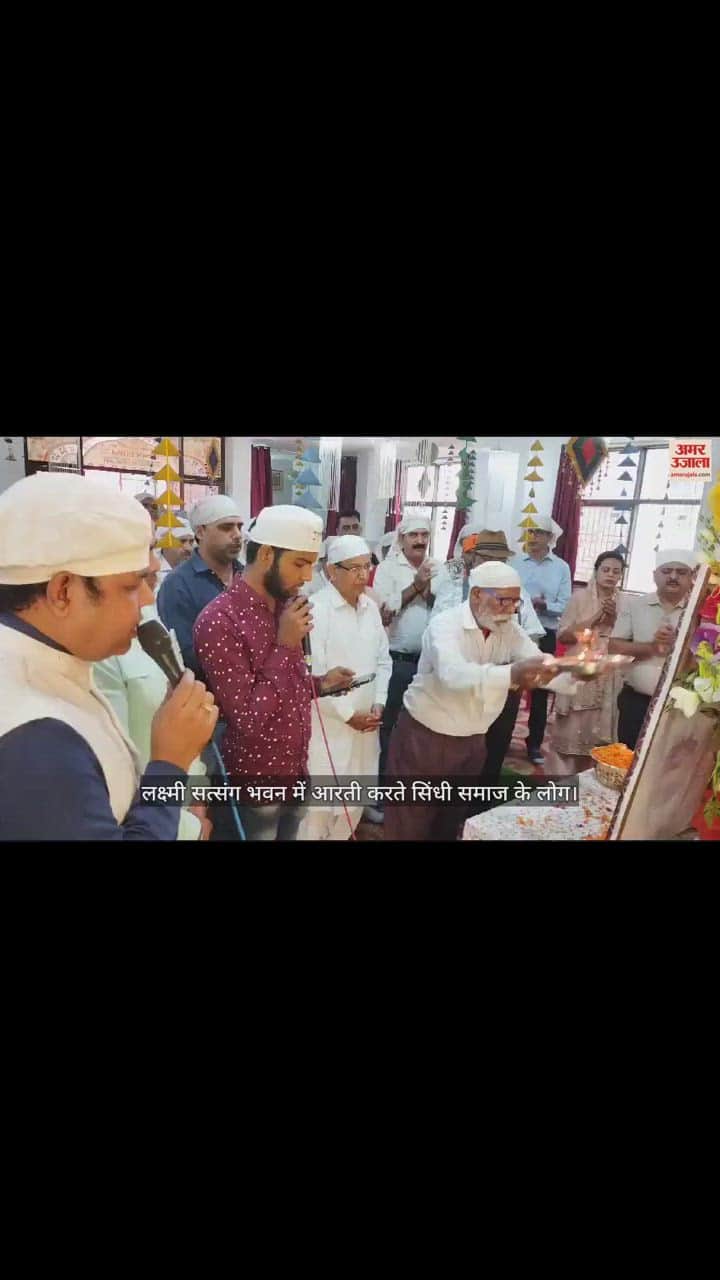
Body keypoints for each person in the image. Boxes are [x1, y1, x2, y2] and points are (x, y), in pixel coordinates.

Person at [0, 473, 219, 841]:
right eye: (133, 586)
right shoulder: (31, 730)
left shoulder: (50, 666)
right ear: (64, 592)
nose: (149, 601)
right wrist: (169, 764)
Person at [383, 562, 587, 842]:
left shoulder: (509, 628)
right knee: (410, 821)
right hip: (425, 739)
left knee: (451, 820)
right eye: (504, 600)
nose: (511, 609)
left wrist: (574, 673)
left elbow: (538, 664)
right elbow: (453, 675)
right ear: (477, 594)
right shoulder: (445, 625)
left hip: (474, 740)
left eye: (516, 601)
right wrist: (512, 673)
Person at [192, 505, 356, 841]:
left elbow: (284, 687)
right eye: (299, 563)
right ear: (267, 555)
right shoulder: (220, 621)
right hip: (254, 785)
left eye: (311, 564)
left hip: (296, 771)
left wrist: (321, 684)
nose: (308, 576)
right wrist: (284, 644)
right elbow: (249, 717)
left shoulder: (285, 606)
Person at [93, 548, 212, 840]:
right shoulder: (96, 653)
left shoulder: (145, 617)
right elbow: (115, 779)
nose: (148, 596)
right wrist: (186, 826)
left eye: (152, 579)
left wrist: (197, 798)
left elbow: (180, 719)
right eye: (136, 583)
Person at [433, 526, 545, 805]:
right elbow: (440, 642)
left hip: (504, 687)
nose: (495, 565)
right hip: (458, 688)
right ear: (470, 558)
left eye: (501, 560)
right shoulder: (452, 589)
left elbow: (530, 634)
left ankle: (480, 811)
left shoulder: (516, 593)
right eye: (486, 558)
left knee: (494, 749)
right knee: (454, 753)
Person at [297, 535, 392, 841]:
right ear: (330, 570)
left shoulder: (370, 608)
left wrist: (378, 702)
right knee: (317, 813)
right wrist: (349, 715)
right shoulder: (315, 609)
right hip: (327, 724)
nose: (363, 575)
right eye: (354, 569)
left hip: (366, 724)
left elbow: (383, 661)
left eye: (367, 567)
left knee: (353, 807)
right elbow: (313, 672)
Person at [372, 514, 439, 805]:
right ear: (401, 539)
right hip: (396, 661)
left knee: (421, 727)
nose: (420, 541)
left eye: (425, 535)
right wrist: (416, 585)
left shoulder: (437, 566)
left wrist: (429, 587)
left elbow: (445, 606)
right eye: (414, 535)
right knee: (389, 729)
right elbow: (385, 612)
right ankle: (382, 793)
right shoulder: (388, 569)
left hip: (429, 662)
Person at [609, 548, 698, 750]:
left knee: (667, 763)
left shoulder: (701, 611)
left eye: (681, 572)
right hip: (636, 701)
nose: (673, 576)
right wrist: (652, 647)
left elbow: (709, 660)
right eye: (667, 571)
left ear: (691, 577)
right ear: (655, 575)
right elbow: (614, 646)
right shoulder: (636, 605)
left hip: (680, 706)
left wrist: (679, 644)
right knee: (628, 758)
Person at [550, 550, 628, 768]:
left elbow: (628, 637)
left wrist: (612, 618)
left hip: (609, 669)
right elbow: (564, 636)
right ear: (596, 571)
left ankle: (593, 777)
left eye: (616, 571)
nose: (610, 575)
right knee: (574, 724)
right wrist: (595, 619)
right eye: (606, 570)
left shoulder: (626, 602)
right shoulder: (579, 598)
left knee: (603, 721)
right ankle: (561, 776)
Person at [157, 494, 244, 676]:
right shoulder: (178, 585)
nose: (237, 535)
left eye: (239, 526)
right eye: (226, 527)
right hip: (206, 695)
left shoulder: (246, 577)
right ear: (201, 532)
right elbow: (186, 654)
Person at [511, 515, 572, 764]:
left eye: (538, 532)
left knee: (539, 692)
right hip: (515, 632)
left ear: (550, 538)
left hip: (545, 632)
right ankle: (500, 738)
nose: (533, 537)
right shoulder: (515, 562)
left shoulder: (561, 567)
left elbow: (565, 604)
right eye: (530, 532)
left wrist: (544, 604)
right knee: (509, 686)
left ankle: (534, 744)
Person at [155, 518, 195, 590]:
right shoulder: (153, 574)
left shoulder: (194, 573)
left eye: (191, 542)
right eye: (182, 541)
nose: (189, 548)